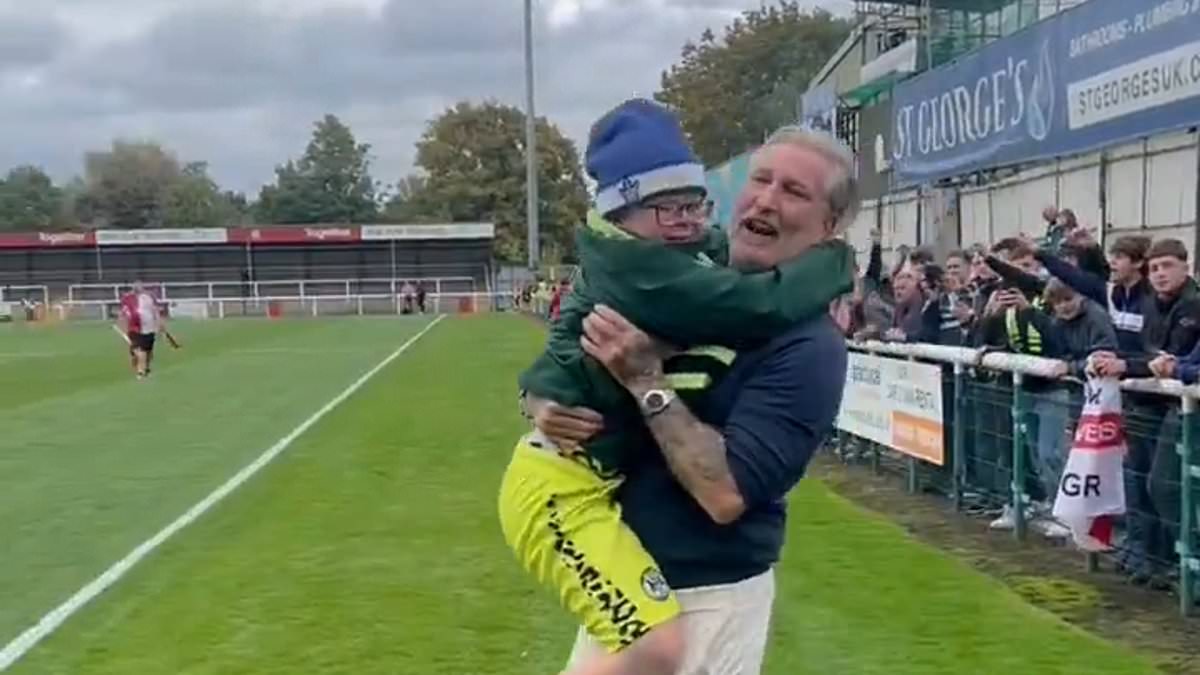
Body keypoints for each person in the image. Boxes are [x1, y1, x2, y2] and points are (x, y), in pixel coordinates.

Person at [502, 102, 854, 675]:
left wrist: (645, 380)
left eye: (794, 192)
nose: (766, 199)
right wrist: (542, 397)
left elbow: (724, 495)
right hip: (632, 573)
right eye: (760, 180)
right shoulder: (685, 272)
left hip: (708, 598)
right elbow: (569, 340)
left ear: (830, 226)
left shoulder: (809, 347)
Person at [1093, 238, 1200, 583]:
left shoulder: (1193, 306)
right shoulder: (1152, 305)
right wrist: (1130, 363)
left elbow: (1173, 359)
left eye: (1167, 266)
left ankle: (1186, 564)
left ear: (1186, 266)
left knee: (1166, 486)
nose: (1160, 274)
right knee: (1141, 482)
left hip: (1181, 408)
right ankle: (1157, 559)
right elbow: (1153, 356)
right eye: (1154, 268)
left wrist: (1130, 364)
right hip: (1153, 402)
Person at [118, 281, 163, 380]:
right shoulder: (127, 298)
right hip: (135, 328)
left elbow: (156, 312)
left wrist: (159, 324)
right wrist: (122, 323)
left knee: (148, 352)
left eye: (139, 287)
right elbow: (123, 313)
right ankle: (140, 372)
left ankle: (146, 368)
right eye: (135, 287)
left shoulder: (149, 298)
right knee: (140, 350)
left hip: (149, 328)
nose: (137, 288)